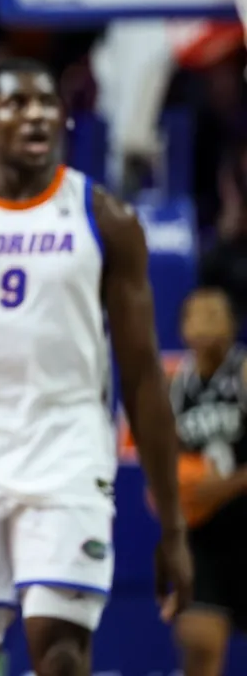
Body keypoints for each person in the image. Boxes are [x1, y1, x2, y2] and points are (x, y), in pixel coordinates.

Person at [0, 58, 192, 676]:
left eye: (47, 103)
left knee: (61, 652)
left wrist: (173, 521)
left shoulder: (105, 218)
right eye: (17, 103)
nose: (37, 115)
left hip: (67, 463)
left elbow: (142, 377)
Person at [170, 287, 247, 676]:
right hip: (205, 535)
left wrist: (227, 486)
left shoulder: (243, 371)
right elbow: (168, 460)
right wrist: (166, 492)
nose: (202, 326)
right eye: (194, 317)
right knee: (199, 642)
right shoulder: (178, 383)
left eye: (213, 316)